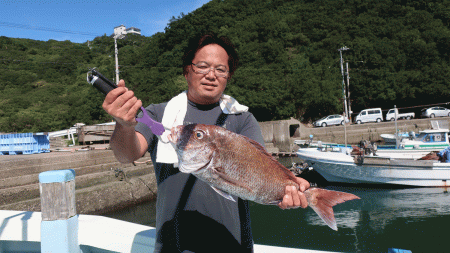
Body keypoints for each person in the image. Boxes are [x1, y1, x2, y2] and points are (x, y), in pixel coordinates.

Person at [102, 33, 310, 252]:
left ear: (228, 76)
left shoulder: (242, 118)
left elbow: (261, 168)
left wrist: (288, 187)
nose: (211, 75)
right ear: (187, 71)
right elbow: (126, 155)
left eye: (221, 69)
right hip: (173, 246)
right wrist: (124, 125)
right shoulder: (158, 114)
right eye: (202, 66)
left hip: (233, 246)